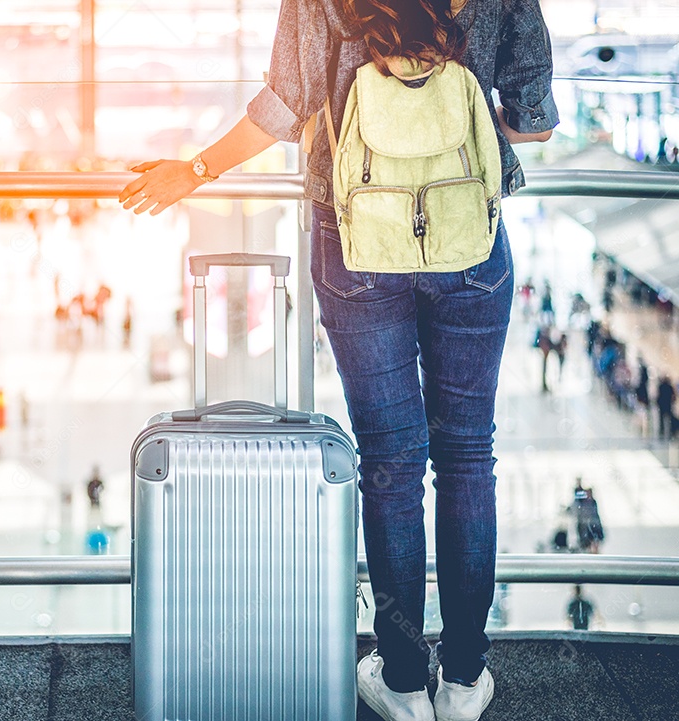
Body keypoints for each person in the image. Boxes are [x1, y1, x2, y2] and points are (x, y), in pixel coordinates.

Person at [120, 1, 557, 719]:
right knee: (468, 458)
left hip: (356, 238)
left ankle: (407, 680)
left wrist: (193, 170)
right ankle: (464, 680)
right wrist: (455, 111)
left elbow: (284, 106)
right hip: (467, 240)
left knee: (391, 463)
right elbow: (533, 118)